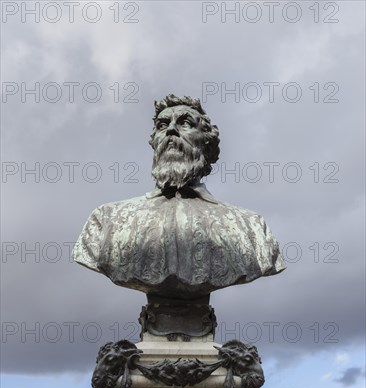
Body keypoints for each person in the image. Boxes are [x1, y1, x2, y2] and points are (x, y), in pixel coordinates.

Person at [73, 95, 285, 300]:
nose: (171, 130)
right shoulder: (107, 219)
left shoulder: (249, 226)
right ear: (154, 142)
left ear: (206, 143)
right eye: (162, 125)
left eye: (184, 123)